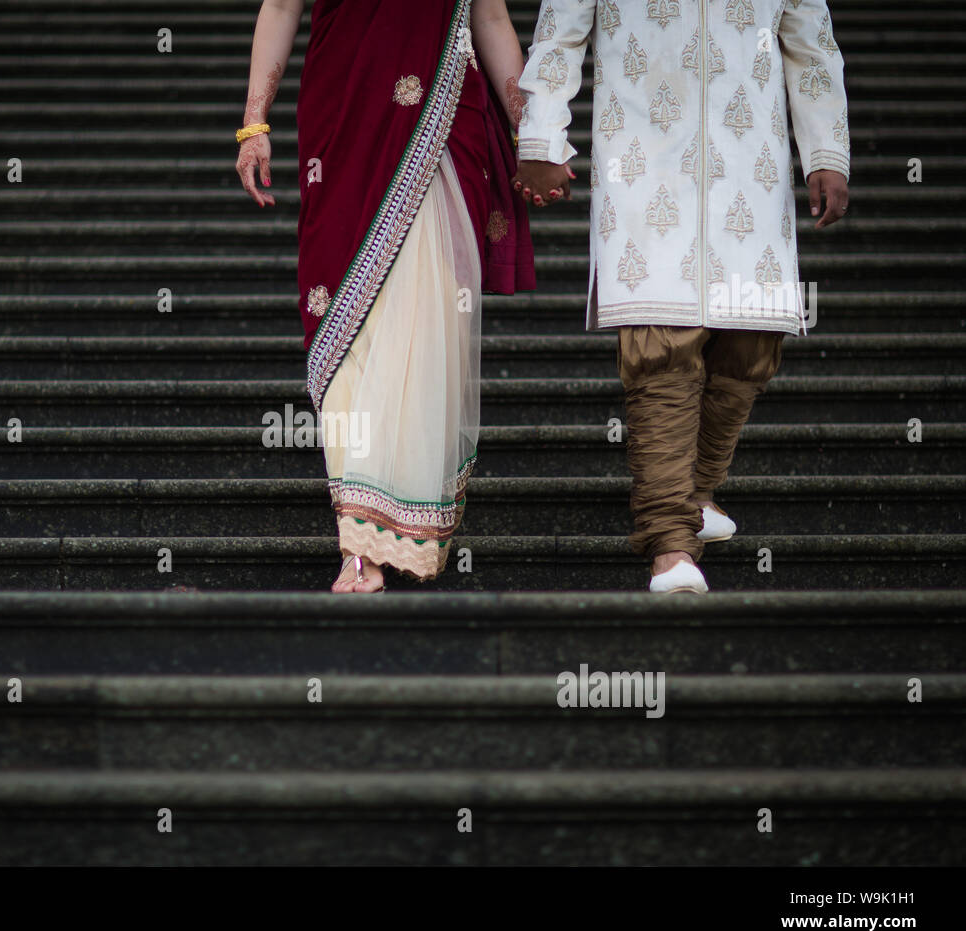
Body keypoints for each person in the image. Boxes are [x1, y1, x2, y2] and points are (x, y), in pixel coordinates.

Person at [512, 0, 850, 593]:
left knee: (751, 342)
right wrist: (542, 138)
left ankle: (696, 494)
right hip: (644, 163)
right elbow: (558, 36)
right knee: (661, 346)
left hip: (753, 167)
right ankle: (669, 544)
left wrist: (825, 152)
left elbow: (811, 45)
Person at [237, 0, 537, 591]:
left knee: (427, 320)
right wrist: (254, 122)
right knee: (349, 326)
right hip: (343, 111)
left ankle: (380, 533)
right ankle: (361, 536)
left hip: (444, 120)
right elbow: (280, 6)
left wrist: (534, 133)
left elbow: (493, 18)